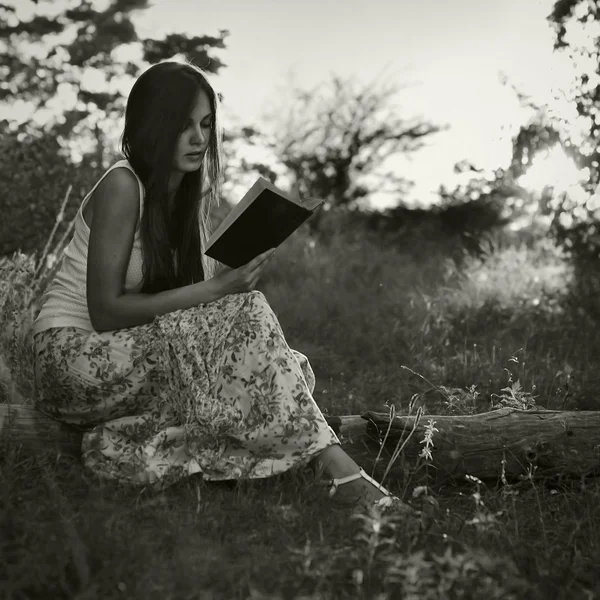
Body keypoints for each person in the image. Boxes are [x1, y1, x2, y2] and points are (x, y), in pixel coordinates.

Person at [32, 60, 409, 512]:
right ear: (152, 127)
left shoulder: (185, 203)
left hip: (128, 354)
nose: (198, 137)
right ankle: (341, 473)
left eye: (206, 124)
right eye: (182, 125)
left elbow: (183, 319)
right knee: (262, 356)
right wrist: (220, 292)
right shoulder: (121, 185)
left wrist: (229, 281)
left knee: (290, 368)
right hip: (72, 358)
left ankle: (174, 450)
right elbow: (106, 312)